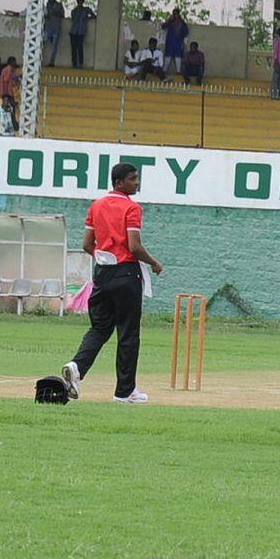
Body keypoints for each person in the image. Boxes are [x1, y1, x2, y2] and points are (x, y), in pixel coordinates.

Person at [62, 162, 163, 405]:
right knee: (128, 333)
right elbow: (134, 247)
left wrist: (104, 258)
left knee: (99, 328)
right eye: (132, 179)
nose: (136, 183)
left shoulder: (96, 206)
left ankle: (77, 367)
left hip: (102, 273)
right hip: (126, 274)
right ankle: (124, 392)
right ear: (119, 182)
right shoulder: (132, 208)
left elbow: (87, 244)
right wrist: (154, 263)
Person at [161, 8, 190, 76]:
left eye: (176, 14)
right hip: (170, 42)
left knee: (178, 56)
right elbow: (163, 27)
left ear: (178, 14)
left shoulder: (182, 23)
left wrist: (180, 36)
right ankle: (164, 70)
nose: (175, 15)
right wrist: (168, 20)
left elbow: (186, 32)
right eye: (173, 14)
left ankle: (178, 72)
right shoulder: (170, 22)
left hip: (178, 42)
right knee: (168, 56)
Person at [69, 0, 95, 68]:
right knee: (74, 48)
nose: (80, 2)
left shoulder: (86, 9)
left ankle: (80, 63)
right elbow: (74, 20)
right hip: (73, 31)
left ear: (83, 2)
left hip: (81, 31)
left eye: (81, 1)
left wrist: (87, 18)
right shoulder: (74, 11)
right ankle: (74, 64)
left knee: (80, 47)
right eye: (79, 1)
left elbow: (93, 16)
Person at [44, 0, 66, 67]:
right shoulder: (47, 5)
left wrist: (56, 13)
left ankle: (52, 62)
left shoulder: (59, 5)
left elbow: (63, 15)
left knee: (54, 46)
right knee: (42, 42)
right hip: (48, 28)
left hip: (56, 28)